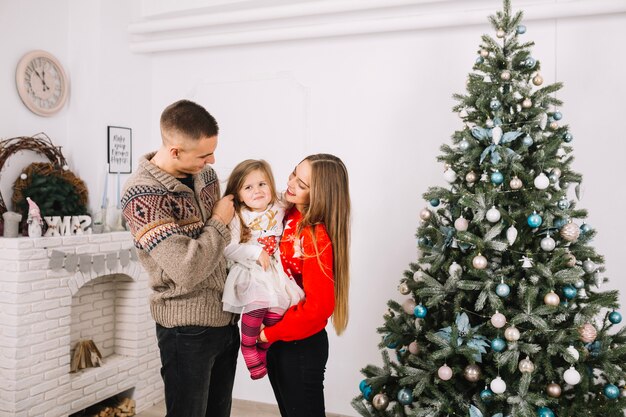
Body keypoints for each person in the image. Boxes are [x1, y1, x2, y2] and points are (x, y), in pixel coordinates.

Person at [121, 99, 238, 417]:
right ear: (174, 151)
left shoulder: (207, 177)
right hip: (186, 330)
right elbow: (188, 268)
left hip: (225, 320)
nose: (212, 160)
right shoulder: (142, 195)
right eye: (203, 154)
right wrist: (219, 222)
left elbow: (220, 245)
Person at [259, 153, 351, 417]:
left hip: (299, 345)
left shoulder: (314, 235)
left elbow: (319, 308)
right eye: (293, 174)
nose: (290, 184)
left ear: (320, 194)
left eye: (302, 184)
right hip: (280, 339)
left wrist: (268, 334)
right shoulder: (286, 212)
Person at [221, 159, 304, 380]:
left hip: (274, 270)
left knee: (278, 309)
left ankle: (262, 349)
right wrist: (256, 253)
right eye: (248, 187)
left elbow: (301, 200)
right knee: (257, 304)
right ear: (238, 194)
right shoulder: (239, 216)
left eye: (262, 184)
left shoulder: (279, 205)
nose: (257, 191)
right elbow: (229, 248)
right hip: (251, 269)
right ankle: (247, 346)